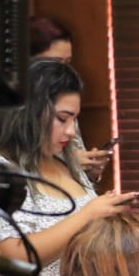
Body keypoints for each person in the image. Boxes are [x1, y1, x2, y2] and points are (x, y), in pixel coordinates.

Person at [0, 58, 139, 276]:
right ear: (26, 114)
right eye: (62, 119)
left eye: (74, 120)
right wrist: (88, 215)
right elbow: (11, 257)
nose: (71, 131)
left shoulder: (64, 161)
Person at [29, 14, 114, 180]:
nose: (63, 71)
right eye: (54, 62)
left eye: (67, 63)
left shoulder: (66, 103)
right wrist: (67, 162)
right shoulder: (12, 109)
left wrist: (89, 172)